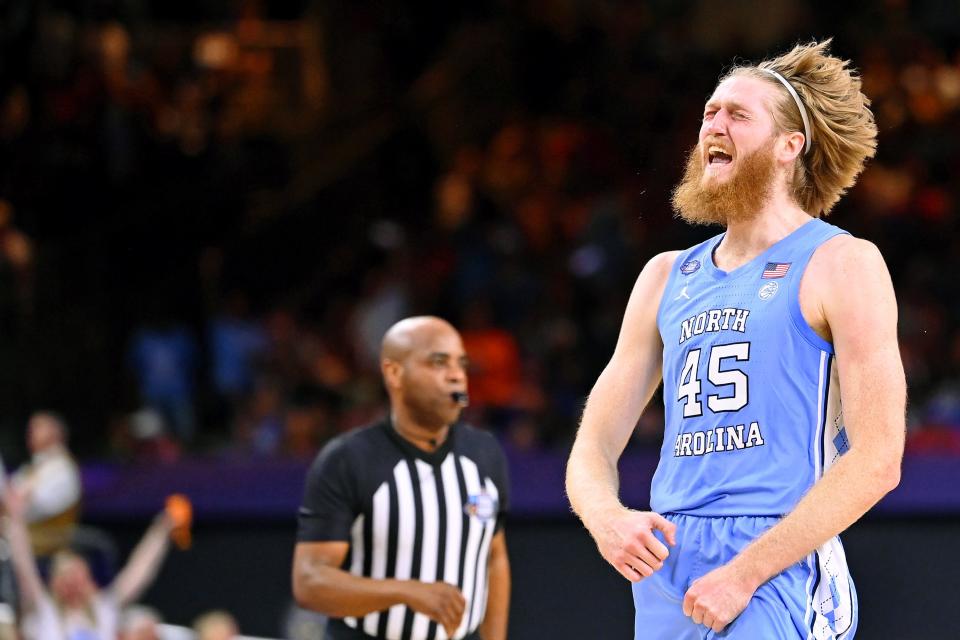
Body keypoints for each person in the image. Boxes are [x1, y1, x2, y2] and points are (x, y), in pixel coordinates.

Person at [566, 40, 904, 639]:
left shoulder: (841, 261)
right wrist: (607, 519)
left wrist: (745, 572)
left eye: (737, 115)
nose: (712, 127)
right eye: (708, 114)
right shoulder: (666, 275)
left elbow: (878, 460)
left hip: (779, 558)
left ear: (788, 146)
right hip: (671, 559)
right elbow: (593, 443)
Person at [292, 316, 511, 640]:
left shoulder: (485, 454)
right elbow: (309, 582)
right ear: (394, 372)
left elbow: (494, 558)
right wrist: (406, 591)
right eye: (439, 362)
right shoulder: (347, 459)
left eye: (461, 364)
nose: (456, 376)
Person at [2, 488, 187, 640]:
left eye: (78, 576)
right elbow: (23, 568)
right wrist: (15, 518)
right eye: (66, 577)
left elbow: (138, 572)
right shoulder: (43, 612)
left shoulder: (104, 611)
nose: (73, 583)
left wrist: (161, 529)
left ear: (90, 580)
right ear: (54, 582)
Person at [10, 411, 82, 559]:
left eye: (38, 426)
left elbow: (30, 509)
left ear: (56, 433)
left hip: (46, 552)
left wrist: (12, 502)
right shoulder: (31, 468)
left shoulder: (63, 470)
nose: (29, 431)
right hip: (21, 545)